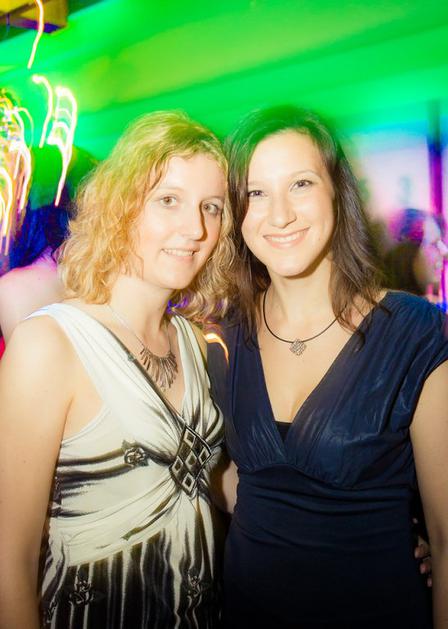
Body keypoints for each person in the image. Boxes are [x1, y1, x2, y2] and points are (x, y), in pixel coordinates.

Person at [208, 105, 448, 628]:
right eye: (255, 192)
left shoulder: (414, 332)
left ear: (337, 191)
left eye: (300, 184)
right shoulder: (225, 337)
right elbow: (229, 478)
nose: (279, 215)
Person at [0, 110, 235, 629]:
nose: (195, 228)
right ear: (120, 205)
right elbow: (8, 560)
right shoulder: (49, 345)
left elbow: (213, 480)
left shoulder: (196, 344)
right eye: (168, 199)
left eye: (211, 207)